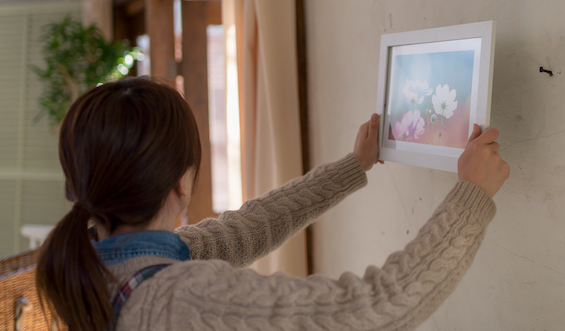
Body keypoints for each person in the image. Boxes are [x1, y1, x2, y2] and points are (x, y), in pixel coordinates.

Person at [36, 77, 509, 331]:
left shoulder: (104, 267)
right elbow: (378, 308)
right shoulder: (182, 297)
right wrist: (470, 195)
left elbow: (248, 227)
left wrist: (353, 166)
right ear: (183, 182)